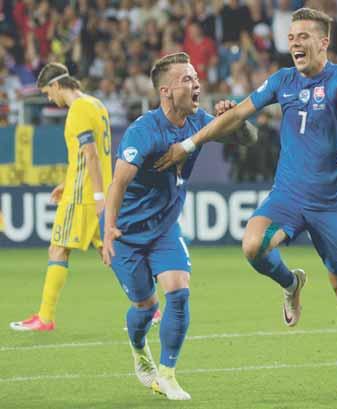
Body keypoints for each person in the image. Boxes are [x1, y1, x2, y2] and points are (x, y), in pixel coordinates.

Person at [154, 8, 337, 397]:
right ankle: (291, 283)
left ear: (324, 42)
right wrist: (188, 144)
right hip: (287, 196)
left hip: (333, 201)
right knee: (253, 245)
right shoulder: (282, 81)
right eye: (291, 38)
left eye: (303, 37)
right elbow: (238, 114)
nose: (294, 43)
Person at [101, 52, 256, 401]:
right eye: (187, 79)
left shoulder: (200, 120)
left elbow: (250, 137)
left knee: (179, 290)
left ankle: (168, 374)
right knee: (145, 307)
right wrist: (109, 228)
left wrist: (234, 118)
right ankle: (139, 348)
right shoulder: (143, 132)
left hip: (165, 228)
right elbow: (118, 184)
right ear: (166, 91)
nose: (196, 83)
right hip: (126, 233)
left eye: (196, 77)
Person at [10, 63, 113, 332]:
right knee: (112, 252)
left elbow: (90, 154)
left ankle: (45, 318)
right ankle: (151, 308)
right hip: (94, 189)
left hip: (83, 196)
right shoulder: (96, 104)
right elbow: (90, 155)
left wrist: (95, 194)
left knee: (57, 248)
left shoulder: (77, 109)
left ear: (57, 85)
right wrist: (66, 183)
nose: (49, 98)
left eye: (47, 92)